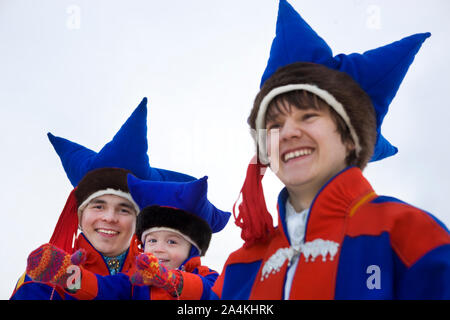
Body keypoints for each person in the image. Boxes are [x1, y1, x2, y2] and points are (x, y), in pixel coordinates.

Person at [213, 0, 450, 299]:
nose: (288, 132)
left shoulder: (408, 234)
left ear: (352, 139)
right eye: (274, 126)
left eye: (308, 116)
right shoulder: (239, 266)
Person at [11, 98, 196, 300]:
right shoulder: (44, 281)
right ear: (79, 216)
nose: (109, 217)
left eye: (124, 209)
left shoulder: (174, 275)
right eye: (98, 206)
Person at [24, 175, 230, 300]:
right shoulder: (134, 281)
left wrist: (171, 280)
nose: (158, 248)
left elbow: (213, 292)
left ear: (192, 249)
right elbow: (100, 289)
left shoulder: (208, 276)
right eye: (152, 240)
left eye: (172, 241)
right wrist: (67, 275)